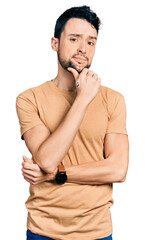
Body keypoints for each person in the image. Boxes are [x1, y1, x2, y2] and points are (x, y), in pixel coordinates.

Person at [16, 5, 129, 240]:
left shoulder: (113, 99)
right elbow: (47, 159)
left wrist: (57, 175)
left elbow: (118, 169)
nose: (82, 49)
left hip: (96, 231)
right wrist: (83, 98)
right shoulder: (29, 99)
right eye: (74, 39)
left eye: (90, 42)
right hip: (43, 230)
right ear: (55, 43)